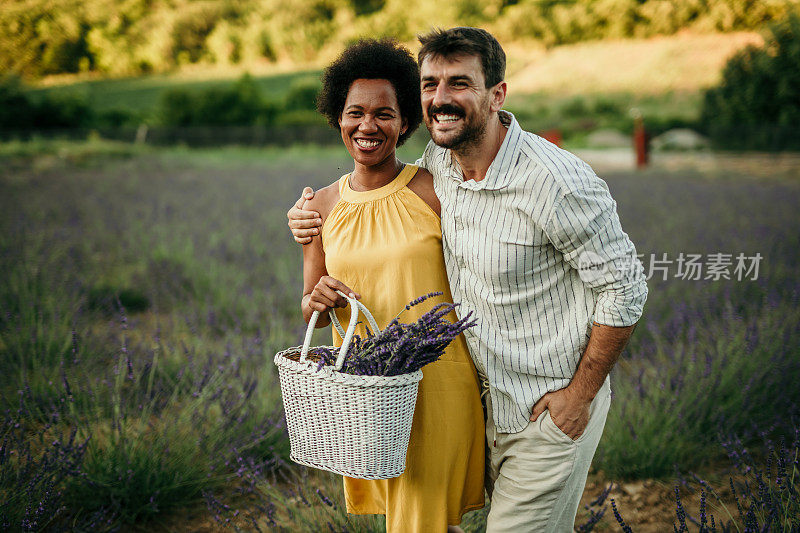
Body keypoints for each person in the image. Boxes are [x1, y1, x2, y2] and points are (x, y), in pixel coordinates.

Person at [288, 27, 648, 532]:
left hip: (548, 404)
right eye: (430, 83)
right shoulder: (443, 163)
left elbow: (626, 287)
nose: (441, 98)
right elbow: (368, 196)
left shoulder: (555, 182)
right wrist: (308, 221)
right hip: (470, 397)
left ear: (497, 94)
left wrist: (580, 395)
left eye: (459, 83)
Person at [299, 39, 485, 533]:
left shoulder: (434, 190)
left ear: (406, 123)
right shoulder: (318, 207)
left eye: (384, 113)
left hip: (440, 385)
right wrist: (317, 299)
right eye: (354, 113)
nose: (367, 126)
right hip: (368, 398)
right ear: (337, 118)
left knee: (419, 521)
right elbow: (311, 307)